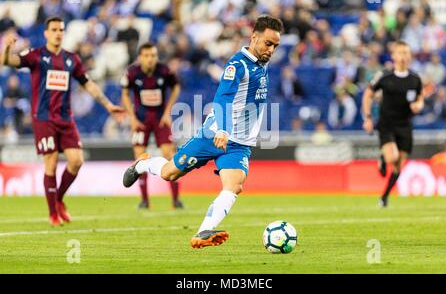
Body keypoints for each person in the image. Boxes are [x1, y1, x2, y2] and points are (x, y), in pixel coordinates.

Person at [122, 15, 283, 248]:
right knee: (170, 173)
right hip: (214, 135)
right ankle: (142, 164)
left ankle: (203, 232)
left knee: (234, 186)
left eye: (276, 46)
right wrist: (224, 130)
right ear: (254, 37)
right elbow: (223, 98)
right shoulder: (237, 65)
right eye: (268, 43)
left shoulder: (262, 62)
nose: (272, 50)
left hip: (238, 145)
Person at [0, 16, 124, 226]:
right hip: (44, 118)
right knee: (51, 163)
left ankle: (58, 199)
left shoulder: (71, 60)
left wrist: (109, 105)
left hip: (66, 119)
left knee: (76, 161)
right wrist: (6, 48)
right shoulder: (36, 56)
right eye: (54, 29)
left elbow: (88, 84)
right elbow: (7, 61)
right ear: (46, 33)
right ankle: (53, 214)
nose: (58, 33)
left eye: (61, 29)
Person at [121, 42, 184, 210]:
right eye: (147, 56)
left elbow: (176, 86)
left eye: (153, 56)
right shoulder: (132, 73)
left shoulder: (165, 71)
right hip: (141, 120)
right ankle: (144, 200)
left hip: (160, 119)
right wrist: (132, 118)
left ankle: (176, 200)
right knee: (140, 157)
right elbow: (125, 94)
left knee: (170, 155)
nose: (150, 59)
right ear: (140, 57)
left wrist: (168, 111)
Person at [362, 41, 424, 208]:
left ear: (410, 56)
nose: (403, 56)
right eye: (400, 53)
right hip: (387, 124)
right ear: (394, 56)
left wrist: (419, 105)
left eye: (406, 53)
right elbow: (368, 94)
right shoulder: (384, 75)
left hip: (405, 125)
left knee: (398, 166)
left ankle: (384, 196)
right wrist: (367, 117)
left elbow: (420, 97)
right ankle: (383, 157)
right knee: (393, 157)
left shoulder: (415, 79)